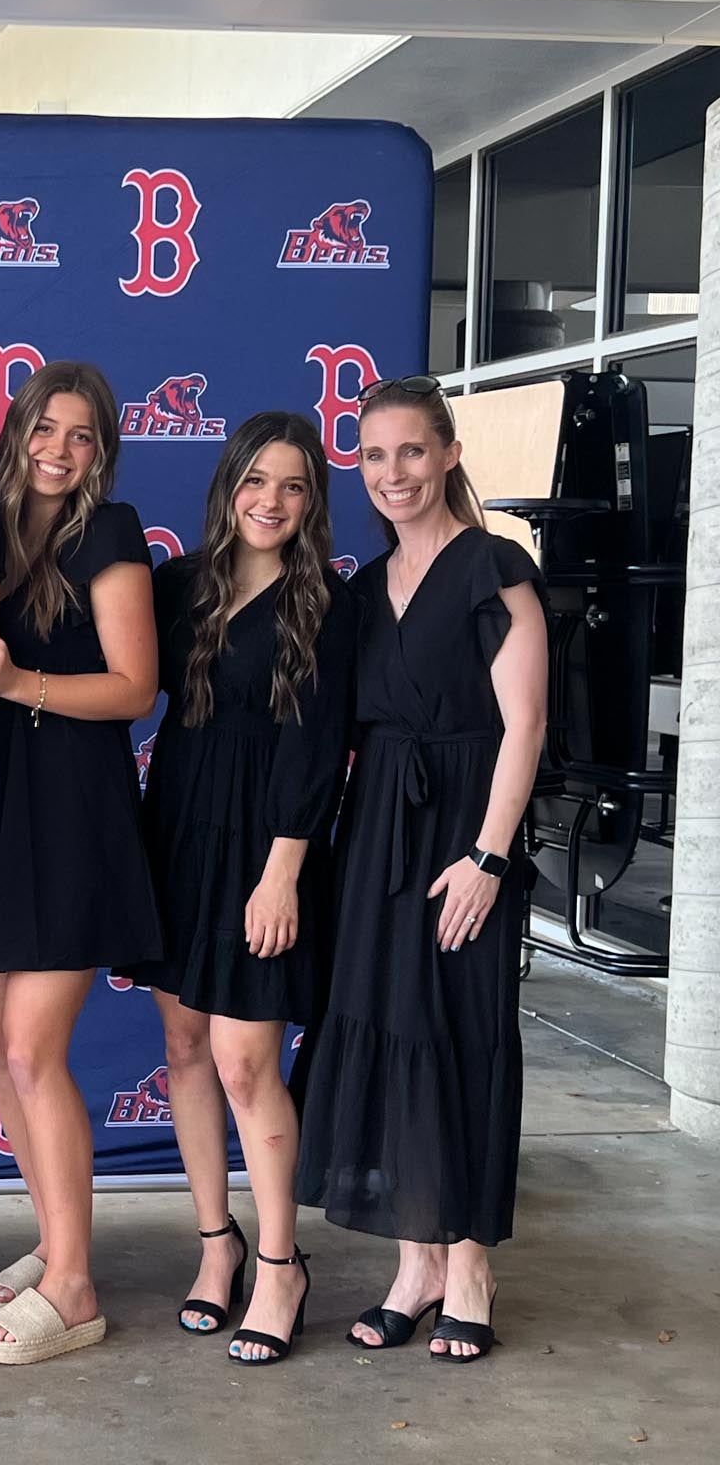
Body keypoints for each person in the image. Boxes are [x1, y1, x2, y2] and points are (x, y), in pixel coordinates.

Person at [295, 375, 547, 1364]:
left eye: (410, 450)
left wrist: (488, 857)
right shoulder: (361, 590)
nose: (391, 472)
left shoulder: (494, 566)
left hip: (467, 826)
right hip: (377, 839)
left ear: (447, 454)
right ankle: (416, 1265)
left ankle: (469, 1266)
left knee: (463, 1035)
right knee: (389, 1025)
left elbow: (525, 725)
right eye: (372, 455)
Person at [117, 413, 354, 1364]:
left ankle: (283, 1263)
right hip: (178, 832)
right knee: (184, 1047)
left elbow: (318, 748)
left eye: (293, 486)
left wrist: (282, 872)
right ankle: (218, 1245)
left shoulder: (325, 602)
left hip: (267, 847)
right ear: (229, 486)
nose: (271, 501)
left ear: (312, 501)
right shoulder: (180, 584)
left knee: (247, 1064)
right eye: (257, 480)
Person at [0, 359, 161, 1366]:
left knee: (34, 1050)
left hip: (73, 811)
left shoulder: (108, 532)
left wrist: (18, 680)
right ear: (16, 431)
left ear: (100, 450)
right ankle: (53, 1240)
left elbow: (132, 688)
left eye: (81, 435)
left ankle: (74, 1288)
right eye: (45, 428)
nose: (59, 450)